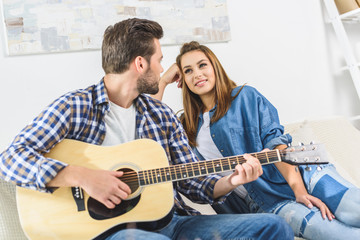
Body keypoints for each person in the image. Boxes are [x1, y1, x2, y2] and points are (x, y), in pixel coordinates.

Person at [0, 19, 294, 240]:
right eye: (159, 60)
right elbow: (10, 159)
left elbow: (195, 183)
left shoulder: (161, 116)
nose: (163, 67)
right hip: (108, 232)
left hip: (171, 223)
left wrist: (231, 180)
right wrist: (83, 176)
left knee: (273, 226)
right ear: (140, 63)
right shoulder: (74, 107)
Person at [153, 41, 360, 240]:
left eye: (202, 65)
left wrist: (299, 189)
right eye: (188, 70)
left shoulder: (245, 97)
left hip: (304, 178)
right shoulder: (184, 127)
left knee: (355, 209)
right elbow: (148, 124)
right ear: (182, 80)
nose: (197, 74)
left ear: (215, 67)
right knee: (341, 235)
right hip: (266, 205)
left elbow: (275, 142)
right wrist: (162, 81)